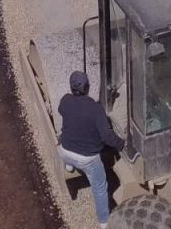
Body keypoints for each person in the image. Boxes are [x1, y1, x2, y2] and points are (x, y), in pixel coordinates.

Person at [58, 70, 124, 228]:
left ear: (71, 87)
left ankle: (69, 166)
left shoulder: (65, 100)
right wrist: (121, 143)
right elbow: (107, 137)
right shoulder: (96, 109)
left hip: (65, 151)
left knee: (68, 136)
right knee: (100, 188)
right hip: (88, 160)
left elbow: (62, 111)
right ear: (87, 87)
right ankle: (104, 223)